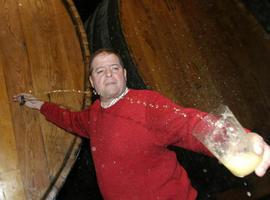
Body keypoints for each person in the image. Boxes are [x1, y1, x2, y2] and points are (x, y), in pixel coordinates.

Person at [14, 48, 270, 200]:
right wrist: (39, 105)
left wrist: (239, 141)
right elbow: (69, 119)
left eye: (115, 68)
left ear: (125, 75)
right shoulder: (93, 115)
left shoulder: (146, 104)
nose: (109, 73)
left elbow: (190, 123)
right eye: (100, 71)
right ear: (92, 83)